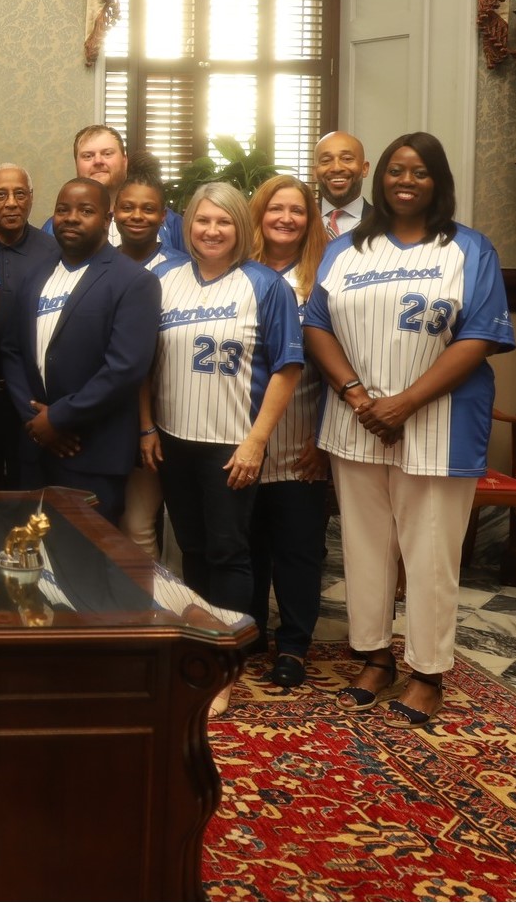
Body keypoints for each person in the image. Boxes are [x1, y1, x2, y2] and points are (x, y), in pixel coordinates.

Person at [304, 133, 513, 728]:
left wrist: (403, 404)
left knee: (430, 555)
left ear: (437, 181)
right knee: (365, 550)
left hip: (439, 426)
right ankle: (373, 657)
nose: (404, 180)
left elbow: (478, 336)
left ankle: (427, 672)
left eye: (419, 172)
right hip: (356, 423)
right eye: (395, 170)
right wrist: (358, 395)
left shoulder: (469, 249)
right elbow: (318, 324)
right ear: (381, 179)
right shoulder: (346, 250)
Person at [140, 182, 302, 713]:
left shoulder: (265, 285)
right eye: (202, 221)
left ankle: (224, 668)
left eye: (224, 222)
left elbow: (287, 367)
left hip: (232, 445)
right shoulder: (162, 279)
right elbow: (143, 363)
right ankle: (200, 646)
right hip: (173, 440)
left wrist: (257, 441)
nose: (212, 231)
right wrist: (147, 428)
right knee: (191, 549)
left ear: (241, 228)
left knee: (229, 551)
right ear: (188, 227)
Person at [1, 178, 159, 523]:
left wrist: (57, 419)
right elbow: (12, 351)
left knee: (84, 567)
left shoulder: (134, 282)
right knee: (31, 558)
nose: (71, 217)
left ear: (107, 219)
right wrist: (36, 422)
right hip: (35, 449)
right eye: (63, 209)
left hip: (92, 453)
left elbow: (125, 369)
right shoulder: (35, 274)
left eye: (86, 211)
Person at [246, 175, 330, 690]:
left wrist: (323, 440)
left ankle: (294, 645)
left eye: (297, 211)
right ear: (259, 215)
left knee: (299, 548)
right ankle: (250, 631)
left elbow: (339, 365)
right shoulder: (240, 272)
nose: (286, 218)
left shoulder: (323, 276)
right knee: (247, 541)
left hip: (301, 438)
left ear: (310, 220)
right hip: (241, 435)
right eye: (276, 209)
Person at [113, 171, 181, 557]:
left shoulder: (180, 269)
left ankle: (165, 610)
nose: (137, 215)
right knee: (120, 521)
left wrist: (147, 423)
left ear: (164, 216)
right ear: (114, 213)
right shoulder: (96, 263)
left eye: (148, 208)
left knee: (156, 526)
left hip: (162, 417)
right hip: (107, 417)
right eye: (128, 207)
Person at [0, 163, 59, 489]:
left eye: (20, 194)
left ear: (31, 199)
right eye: (1, 194)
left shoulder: (54, 251)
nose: (11, 202)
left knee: (27, 490)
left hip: (31, 396)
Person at [45, 125, 184, 251]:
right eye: (88, 156)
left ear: (125, 161)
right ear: (77, 164)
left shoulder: (169, 223)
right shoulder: (56, 226)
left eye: (107, 154)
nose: (98, 161)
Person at [314, 130, 369, 238]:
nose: (336, 168)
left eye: (347, 159)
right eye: (326, 160)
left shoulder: (386, 223)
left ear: (364, 168)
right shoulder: (301, 220)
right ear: (315, 172)